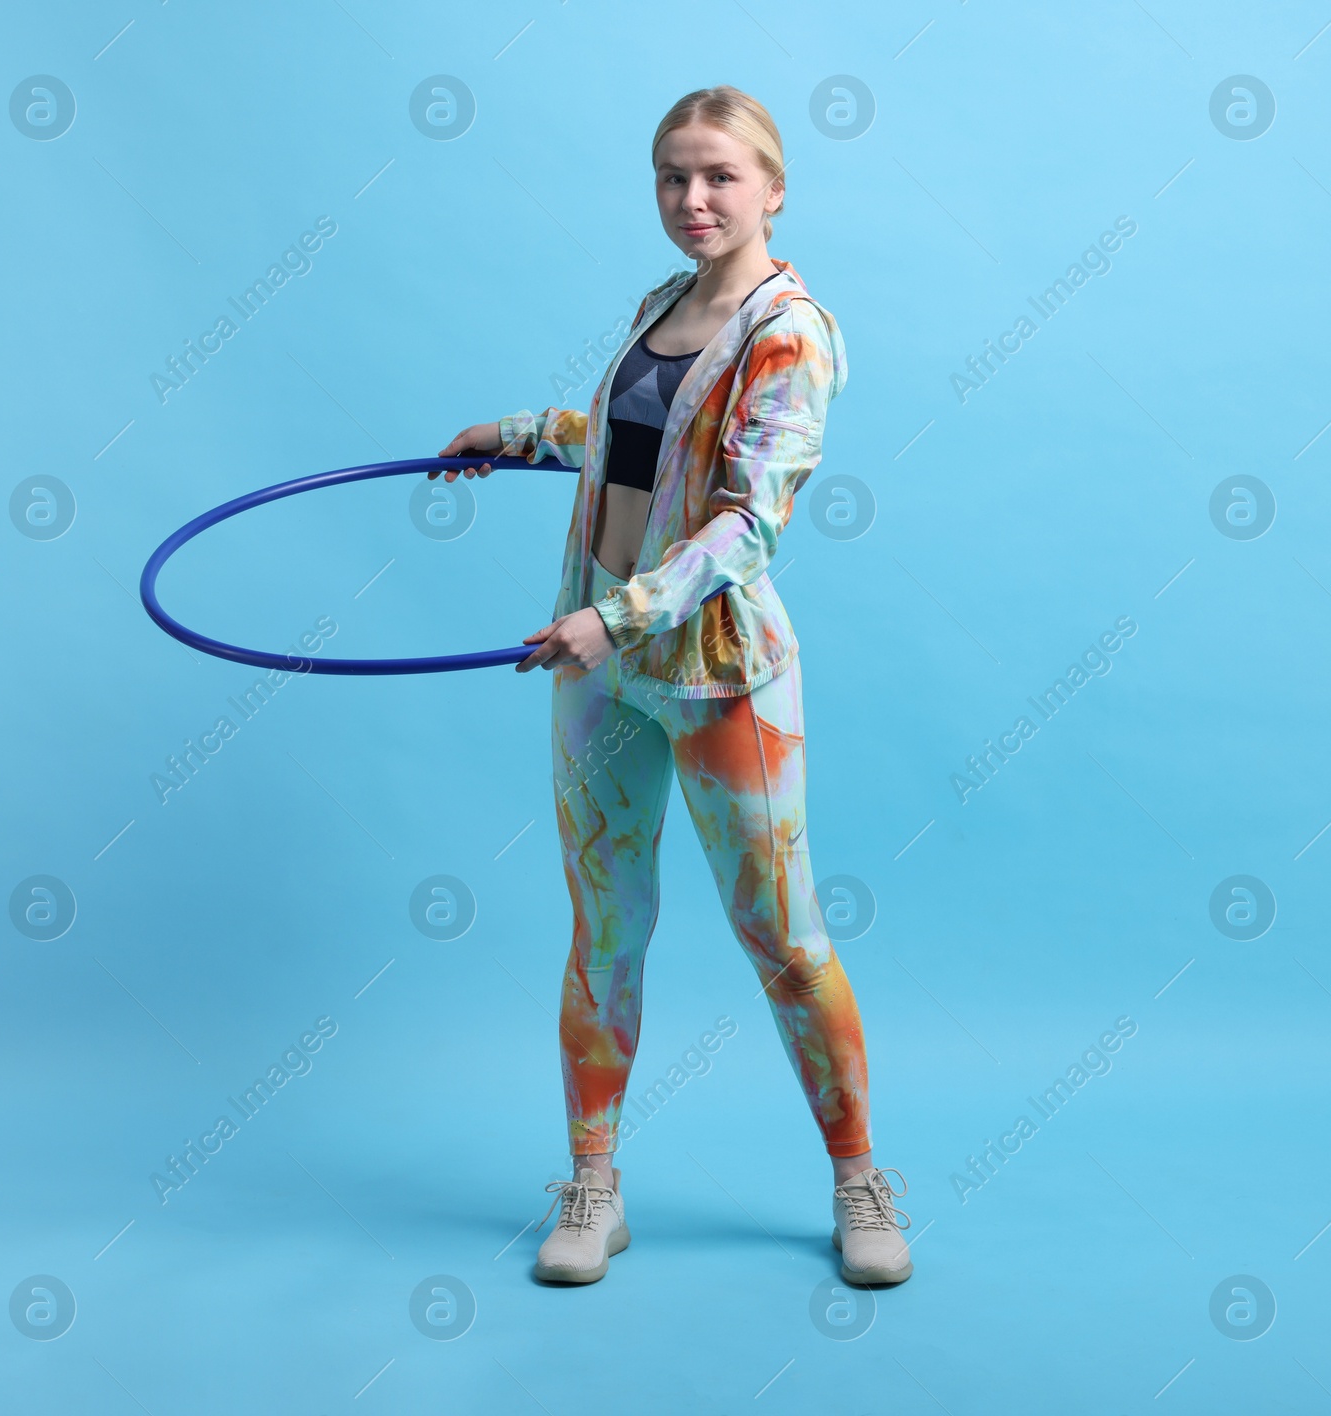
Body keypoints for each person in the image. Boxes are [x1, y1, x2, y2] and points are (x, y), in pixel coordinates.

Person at [435, 86, 910, 1288]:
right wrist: (516, 432)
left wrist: (617, 616)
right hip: (596, 668)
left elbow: (751, 520)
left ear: (773, 187)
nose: (692, 200)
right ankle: (593, 1184)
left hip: (710, 673)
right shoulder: (664, 307)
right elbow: (632, 445)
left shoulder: (788, 330)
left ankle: (858, 1180)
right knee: (605, 928)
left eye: (717, 177)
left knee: (783, 939)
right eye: (670, 178)